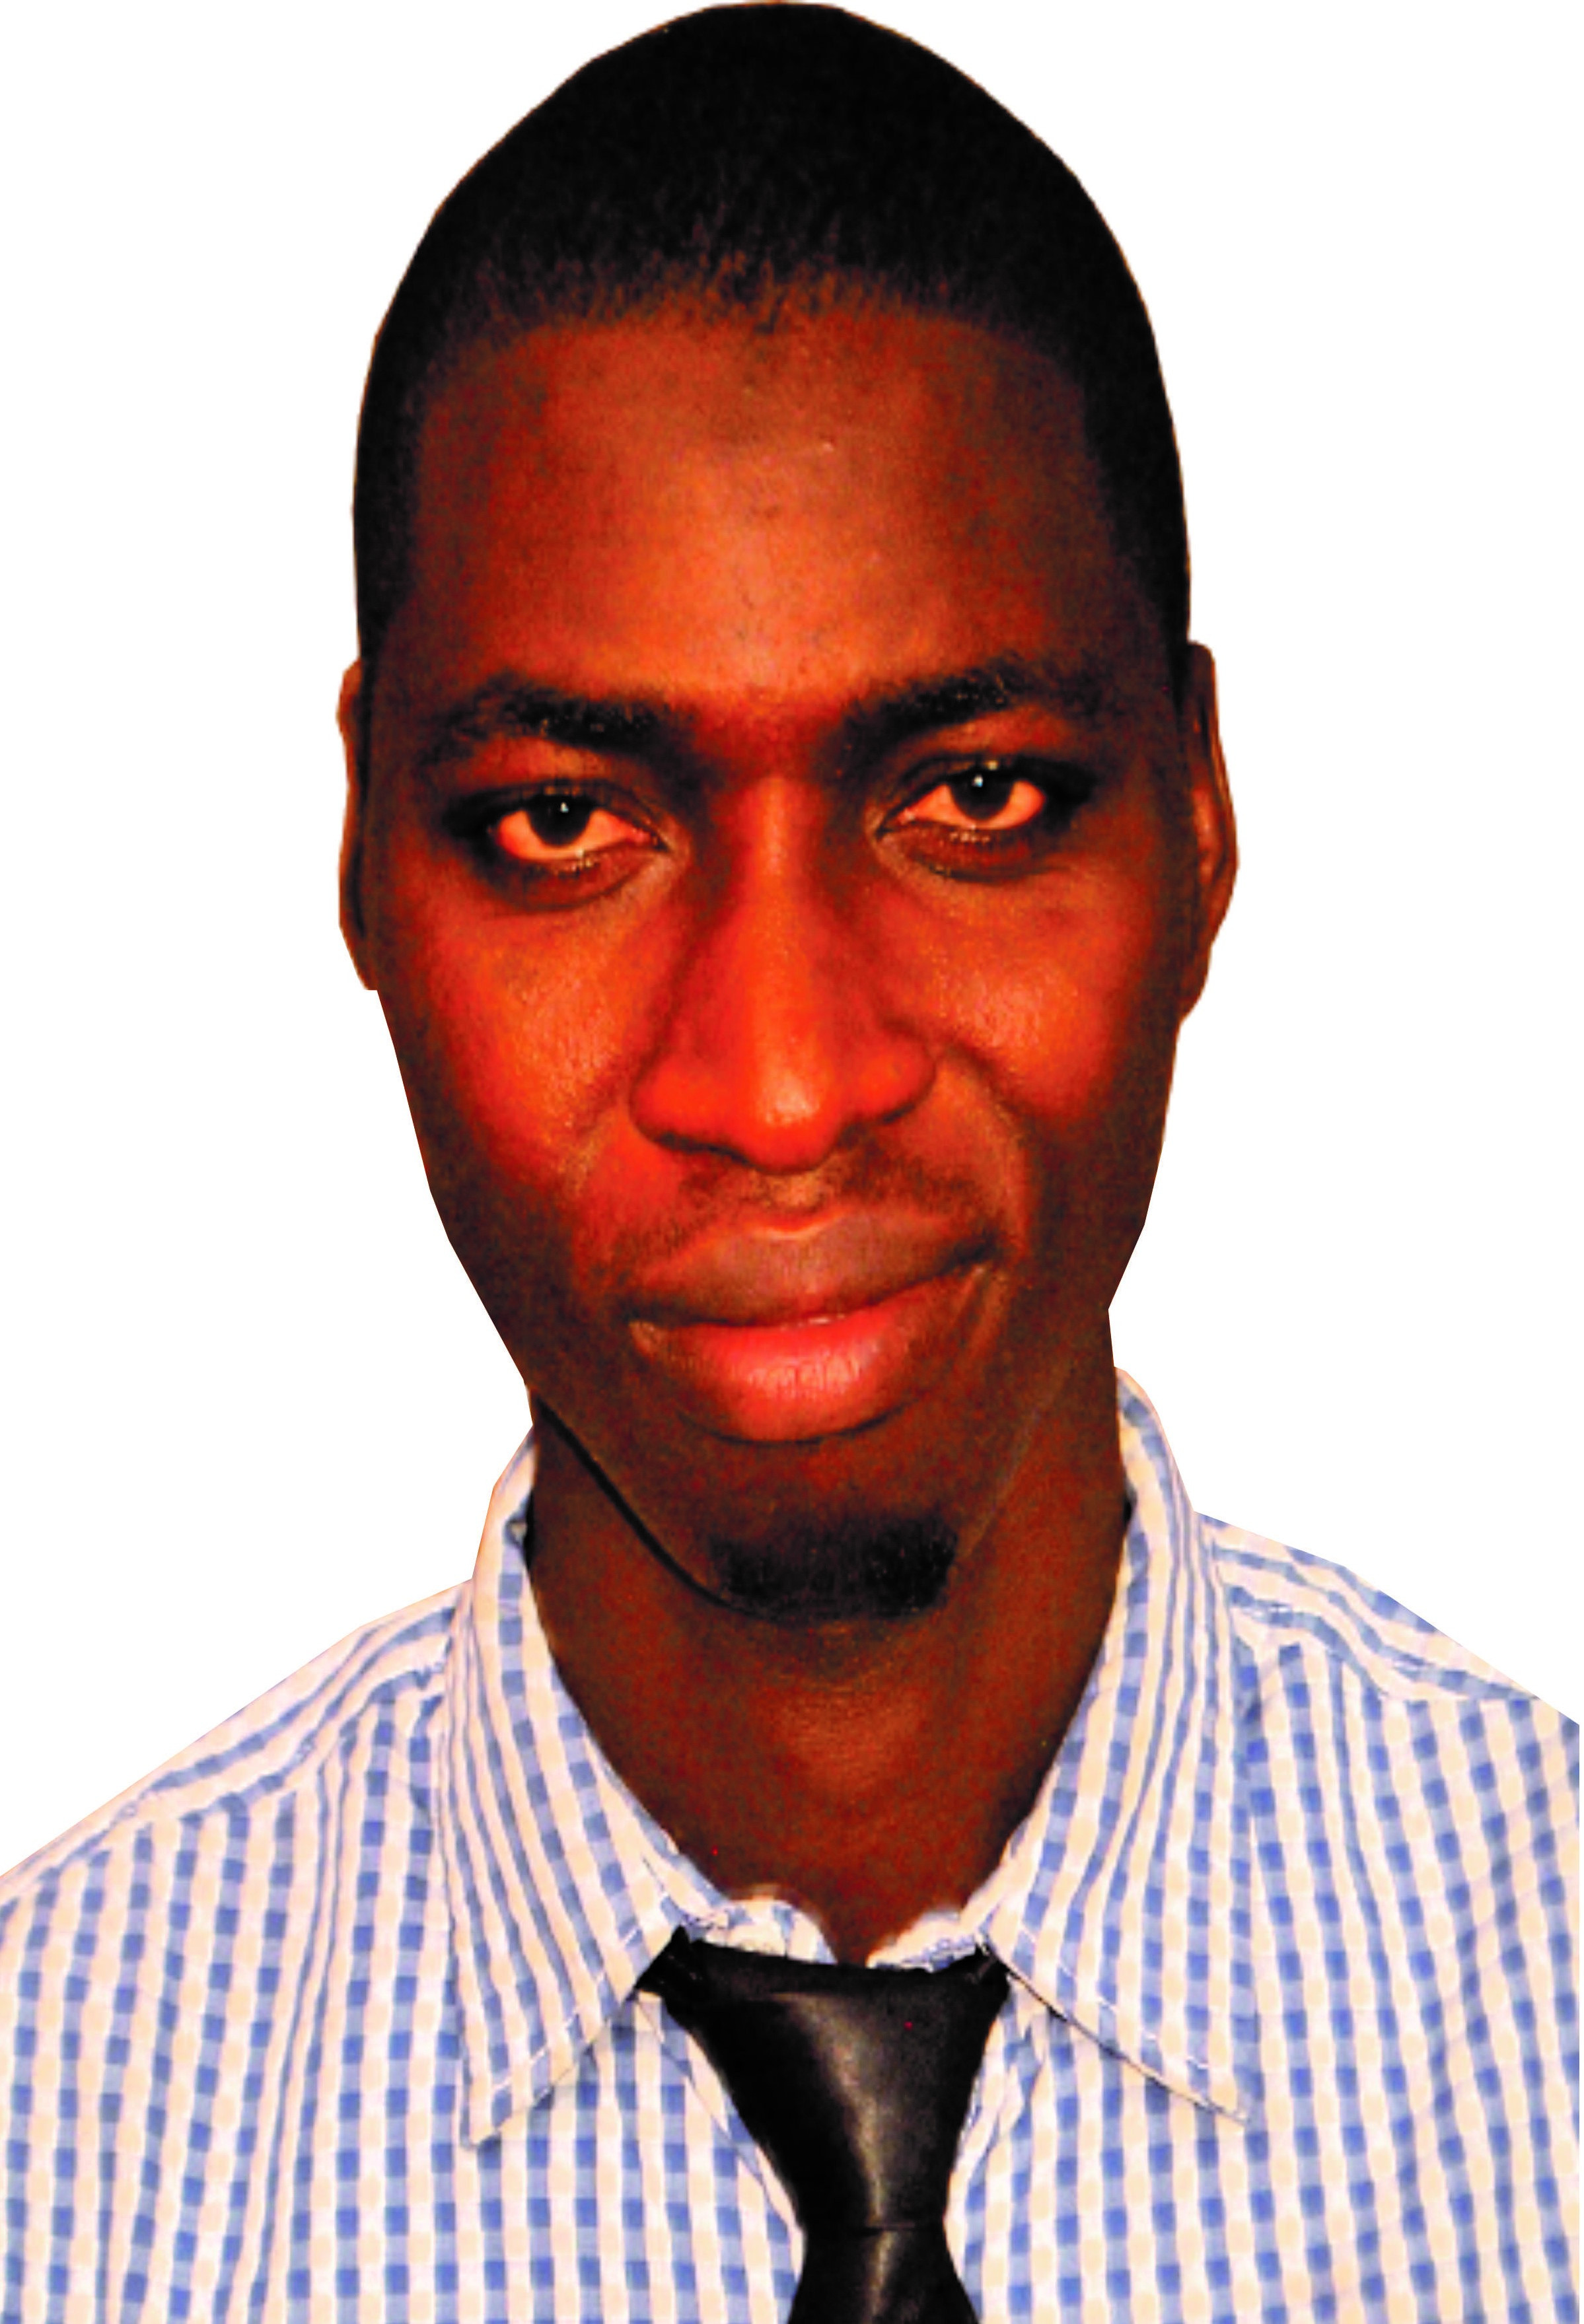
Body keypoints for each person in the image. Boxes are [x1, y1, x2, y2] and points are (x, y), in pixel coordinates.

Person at [1, 8, 1573, 2319]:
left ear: (1199, 815)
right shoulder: (50, 2138)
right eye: (565, 824)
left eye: (974, 799)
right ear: (359, 862)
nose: (780, 1085)